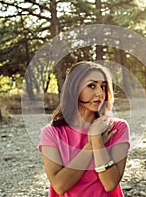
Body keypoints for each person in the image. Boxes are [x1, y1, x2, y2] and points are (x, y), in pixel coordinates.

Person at [39, 61, 130, 197]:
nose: (100, 93)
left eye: (103, 87)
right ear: (74, 89)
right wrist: (91, 144)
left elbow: (110, 183)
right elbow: (60, 186)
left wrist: (97, 140)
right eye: (91, 86)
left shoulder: (117, 128)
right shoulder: (51, 133)